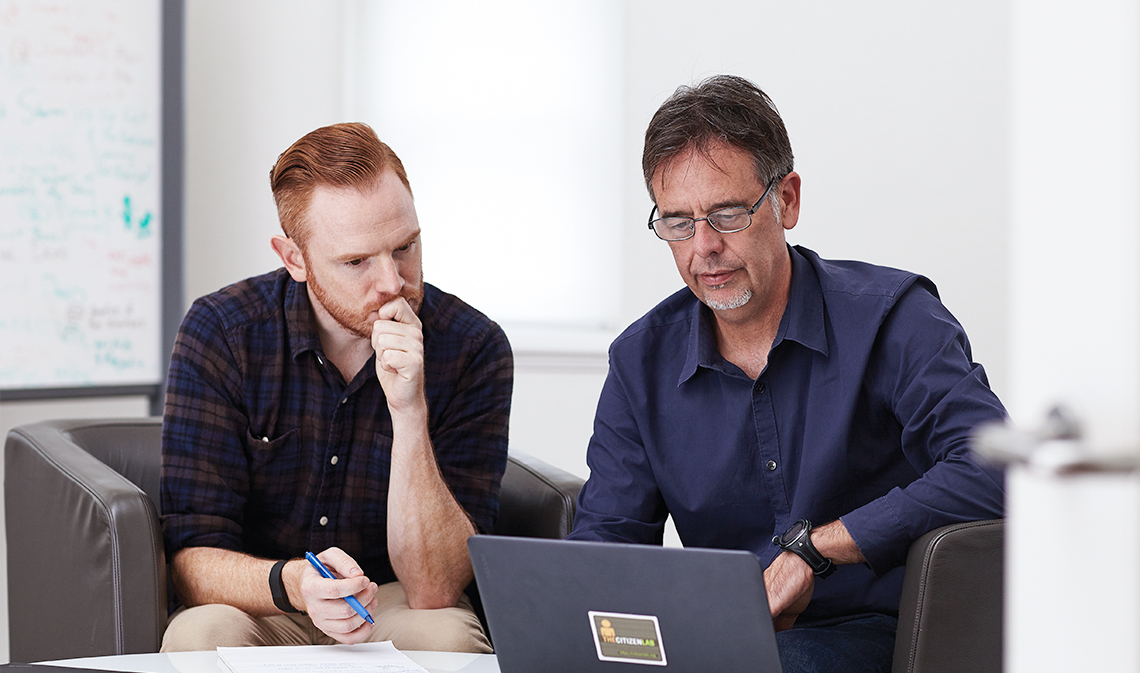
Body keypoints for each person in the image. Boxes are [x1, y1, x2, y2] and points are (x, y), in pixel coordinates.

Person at [567, 75, 1005, 673]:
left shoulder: (894, 319)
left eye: (727, 214)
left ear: (787, 200)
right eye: (677, 223)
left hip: (881, 634)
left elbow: (995, 469)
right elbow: (608, 540)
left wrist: (818, 549)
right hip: (718, 641)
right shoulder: (639, 362)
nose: (703, 248)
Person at [160, 122, 511, 652]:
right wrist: (295, 583)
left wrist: (409, 409)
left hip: (391, 602)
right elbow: (191, 560)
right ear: (294, 258)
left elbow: (436, 587)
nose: (392, 282)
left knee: (448, 640)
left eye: (405, 247)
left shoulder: (473, 347)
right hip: (263, 599)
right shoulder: (222, 331)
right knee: (200, 635)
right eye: (355, 262)